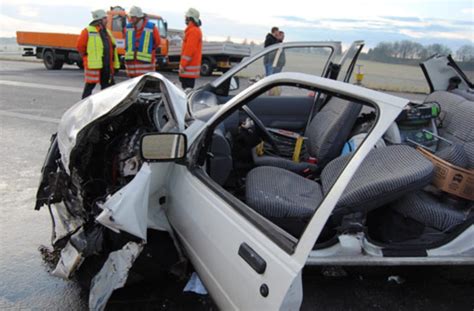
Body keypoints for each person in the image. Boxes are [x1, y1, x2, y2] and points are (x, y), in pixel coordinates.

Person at [77, 9, 120, 99]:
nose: (107, 20)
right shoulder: (88, 31)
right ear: (99, 20)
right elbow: (80, 46)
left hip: (107, 66)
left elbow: (112, 47)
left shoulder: (107, 32)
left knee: (107, 89)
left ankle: (104, 107)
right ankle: (84, 106)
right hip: (95, 66)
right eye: (105, 18)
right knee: (89, 87)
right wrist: (86, 57)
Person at [124, 6, 161, 77]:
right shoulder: (128, 28)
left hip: (146, 70)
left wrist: (148, 49)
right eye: (130, 17)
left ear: (138, 17)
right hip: (131, 70)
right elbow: (126, 45)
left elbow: (157, 43)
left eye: (132, 17)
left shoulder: (151, 28)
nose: (130, 19)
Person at [179, 8, 202, 89]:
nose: (185, 18)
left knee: (187, 92)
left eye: (186, 17)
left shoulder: (193, 31)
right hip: (188, 70)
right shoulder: (192, 30)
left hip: (188, 70)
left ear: (190, 18)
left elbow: (189, 50)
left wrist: (183, 65)